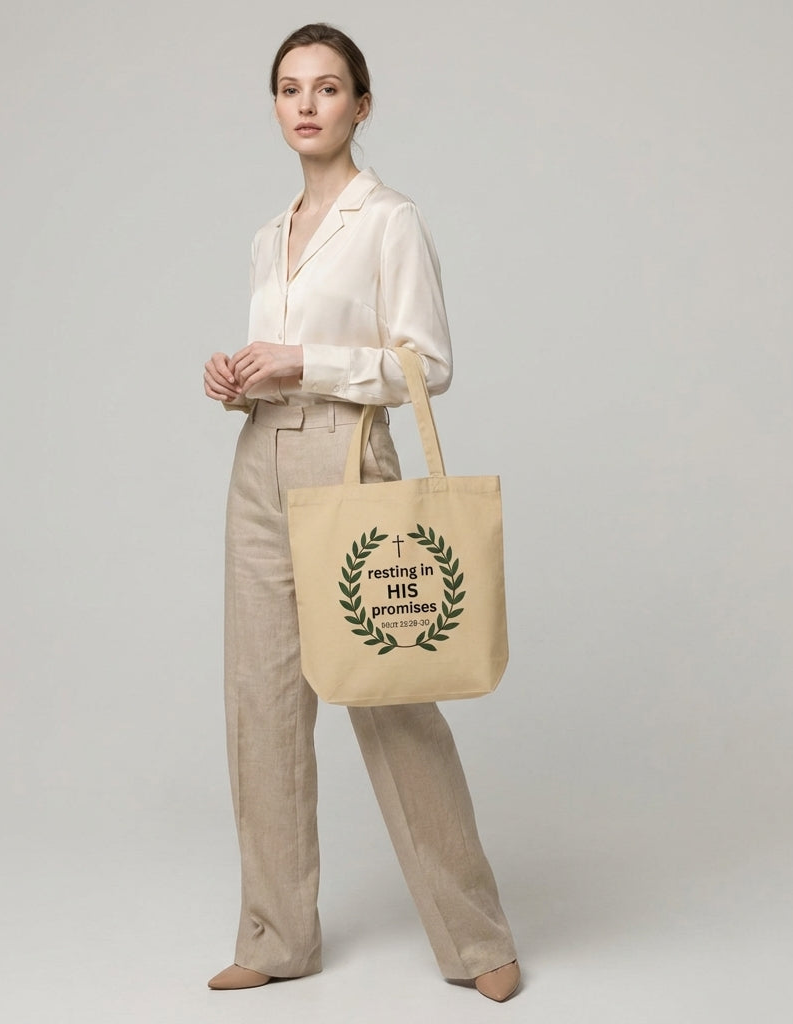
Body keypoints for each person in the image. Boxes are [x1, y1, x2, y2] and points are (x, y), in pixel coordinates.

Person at [202, 23, 521, 1004]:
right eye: (290, 88)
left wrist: (306, 364)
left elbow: (427, 363)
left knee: (389, 698)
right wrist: (241, 376)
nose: (307, 104)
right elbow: (279, 355)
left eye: (328, 87)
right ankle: (277, 931)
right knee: (260, 704)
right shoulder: (269, 233)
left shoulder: (389, 220)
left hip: (350, 458)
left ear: (361, 105)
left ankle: (475, 938)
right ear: (274, 108)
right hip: (260, 461)